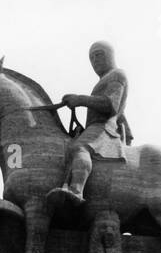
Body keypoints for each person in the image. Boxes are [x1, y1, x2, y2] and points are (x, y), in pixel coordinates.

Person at [50, 40, 133, 206]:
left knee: (79, 147)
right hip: (96, 127)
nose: (95, 60)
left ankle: (76, 190)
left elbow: (111, 105)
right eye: (92, 57)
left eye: (99, 55)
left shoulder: (117, 75)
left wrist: (80, 99)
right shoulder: (105, 80)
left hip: (104, 127)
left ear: (110, 56)